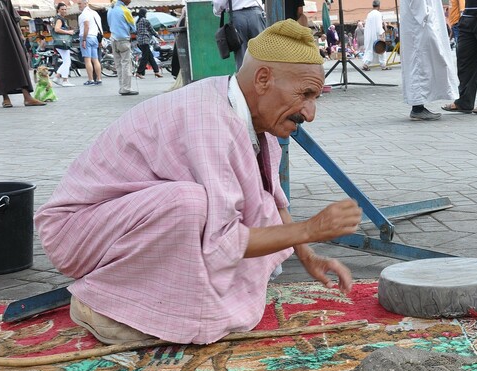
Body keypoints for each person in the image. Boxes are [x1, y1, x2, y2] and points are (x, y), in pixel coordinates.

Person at [35, 21, 362, 346]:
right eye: (305, 94)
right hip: (74, 231)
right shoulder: (210, 119)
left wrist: (308, 255)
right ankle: (100, 304)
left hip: (116, 223)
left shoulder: (253, 118)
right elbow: (223, 240)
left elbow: (271, 200)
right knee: (190, 205)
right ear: (263, 79)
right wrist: (311, 229)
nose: (310, 112)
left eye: (314, 97)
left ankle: (147, 303)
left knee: (225, 207)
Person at [400, 0, 456, 120]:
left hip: (421, 23)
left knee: (420, 64)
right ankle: (417, 108)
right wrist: (427, 16)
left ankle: (418, 106)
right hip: (421, 24)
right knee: (419, 65)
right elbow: (417, 5)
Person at [212, 0, 265, 69]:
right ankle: (264, 77)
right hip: (256, 14)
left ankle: (245, 78)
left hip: (238, 17)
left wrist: (217, 11)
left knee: (241, 55)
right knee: (262, 53)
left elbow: (219, 3)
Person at [107, 0, 137, 95]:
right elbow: (133, 27)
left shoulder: (110, 9)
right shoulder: (125, 10)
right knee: (126, 64)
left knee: (118, 65)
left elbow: (109, 24)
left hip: (113, 39)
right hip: (123, 39)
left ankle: (121, 87)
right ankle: (126, 88)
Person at [78, 0, 103, 86]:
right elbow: (100, 26)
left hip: (86, 37)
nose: (79, 6)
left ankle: (91, 79)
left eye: (80, 4)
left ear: (85, 4)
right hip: (94, 37)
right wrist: (100, 39)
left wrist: (84, 39)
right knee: (95, 60)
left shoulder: (85, 14)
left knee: (87, 60)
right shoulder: (95, 13)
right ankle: (99, 78)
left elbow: (86, 26)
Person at [134, 9, 162, 79]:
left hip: (140, 41)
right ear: (144, 13)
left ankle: (156, 71)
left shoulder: (137, 21)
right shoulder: (145, 20)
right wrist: (159, 37)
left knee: (150, 56)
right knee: (145, 57)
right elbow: (152, 30)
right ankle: (139, 72)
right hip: (145, 41)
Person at [52, 3, 75, 87]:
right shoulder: (59, 19)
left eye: (65, 9)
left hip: (60, 42)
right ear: (58, 9)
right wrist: (68, 32)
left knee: (66, 61)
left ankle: (58, 77)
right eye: (62, 9)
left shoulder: (58, 18)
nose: (64, 11)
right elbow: (57, 29)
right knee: (67, 61)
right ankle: (64, 80)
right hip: (62, 42)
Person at [362, 0, 387, 70]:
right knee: (381, 49)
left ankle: (366, 64)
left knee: (369, 49)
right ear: (379, 6)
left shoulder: (369, 14)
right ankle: (383, 65)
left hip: (369, 35)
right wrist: (382, 34)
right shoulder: (379, 14)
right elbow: (379, 26)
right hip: (377, 35)